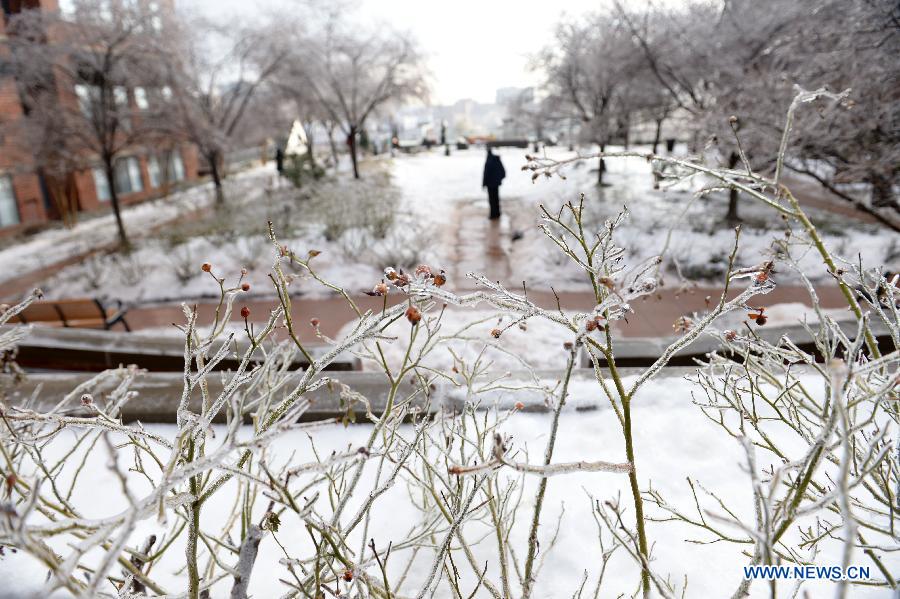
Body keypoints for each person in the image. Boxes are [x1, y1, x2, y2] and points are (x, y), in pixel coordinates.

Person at [482, 147, 506, 220]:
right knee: (496, 199)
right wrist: (498, 179)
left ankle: (493, 215)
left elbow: (485, 174)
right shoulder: (497, 160)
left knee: (492, 200)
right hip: (496, 184)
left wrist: (483, 184)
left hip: (490, 184)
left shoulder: (488, 161)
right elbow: (503, 172)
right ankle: (497, 213)